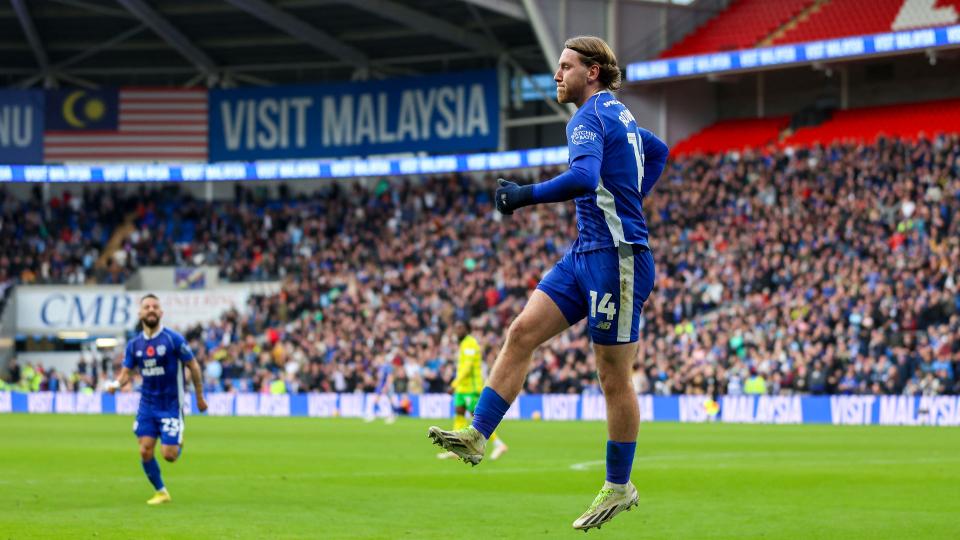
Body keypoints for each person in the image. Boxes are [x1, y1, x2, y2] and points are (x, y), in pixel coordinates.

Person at [428, 35, 668, 531]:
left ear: (593, 72)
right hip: (585, 253)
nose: (558, 75)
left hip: (617, 259)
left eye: (566, 66)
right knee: (521, 332)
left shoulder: (587, 117)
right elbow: (658, 150)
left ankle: (620, 486)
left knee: (612, 375)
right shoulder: (617, 115)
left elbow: (583, 178)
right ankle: (478, 434)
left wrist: (522, 196)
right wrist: (631, 194)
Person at [106, 294, 207, 505]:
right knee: (144, 449)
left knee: (169, 455)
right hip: (147, 405)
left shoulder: (173, 339)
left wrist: (199, 395)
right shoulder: (134, 345)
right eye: (147, 307)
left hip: (171, 404)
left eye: (155, 306)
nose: (151, 309)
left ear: (161, 313)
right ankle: (161, 492)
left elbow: (193, 365)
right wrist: (116, 385)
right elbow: (126, 373)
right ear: (140, 313)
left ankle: (177, 440)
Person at [437, 320, 508, 460]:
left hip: (471, 388)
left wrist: (454, 383)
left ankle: (499, 444)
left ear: (467, 329)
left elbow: (468, 366)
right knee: (459, 415)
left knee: (479, 419)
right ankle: (455, 448)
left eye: (461, 327)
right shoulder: (463, 344)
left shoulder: (470, 343)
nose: (458, 330)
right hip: (462, 389)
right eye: (456, 327)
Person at [364, 355, 397, 424]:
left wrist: (386, 386)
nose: (376, 360)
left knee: (389, 400)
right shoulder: (380, 367)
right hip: (381, 385)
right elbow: (379, 377)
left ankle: (391, 415)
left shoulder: (387, 366)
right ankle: (373, 415)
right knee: (376, 399)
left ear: (381, 358)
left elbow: (389, 376)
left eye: (377, 358)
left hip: (386, 385)